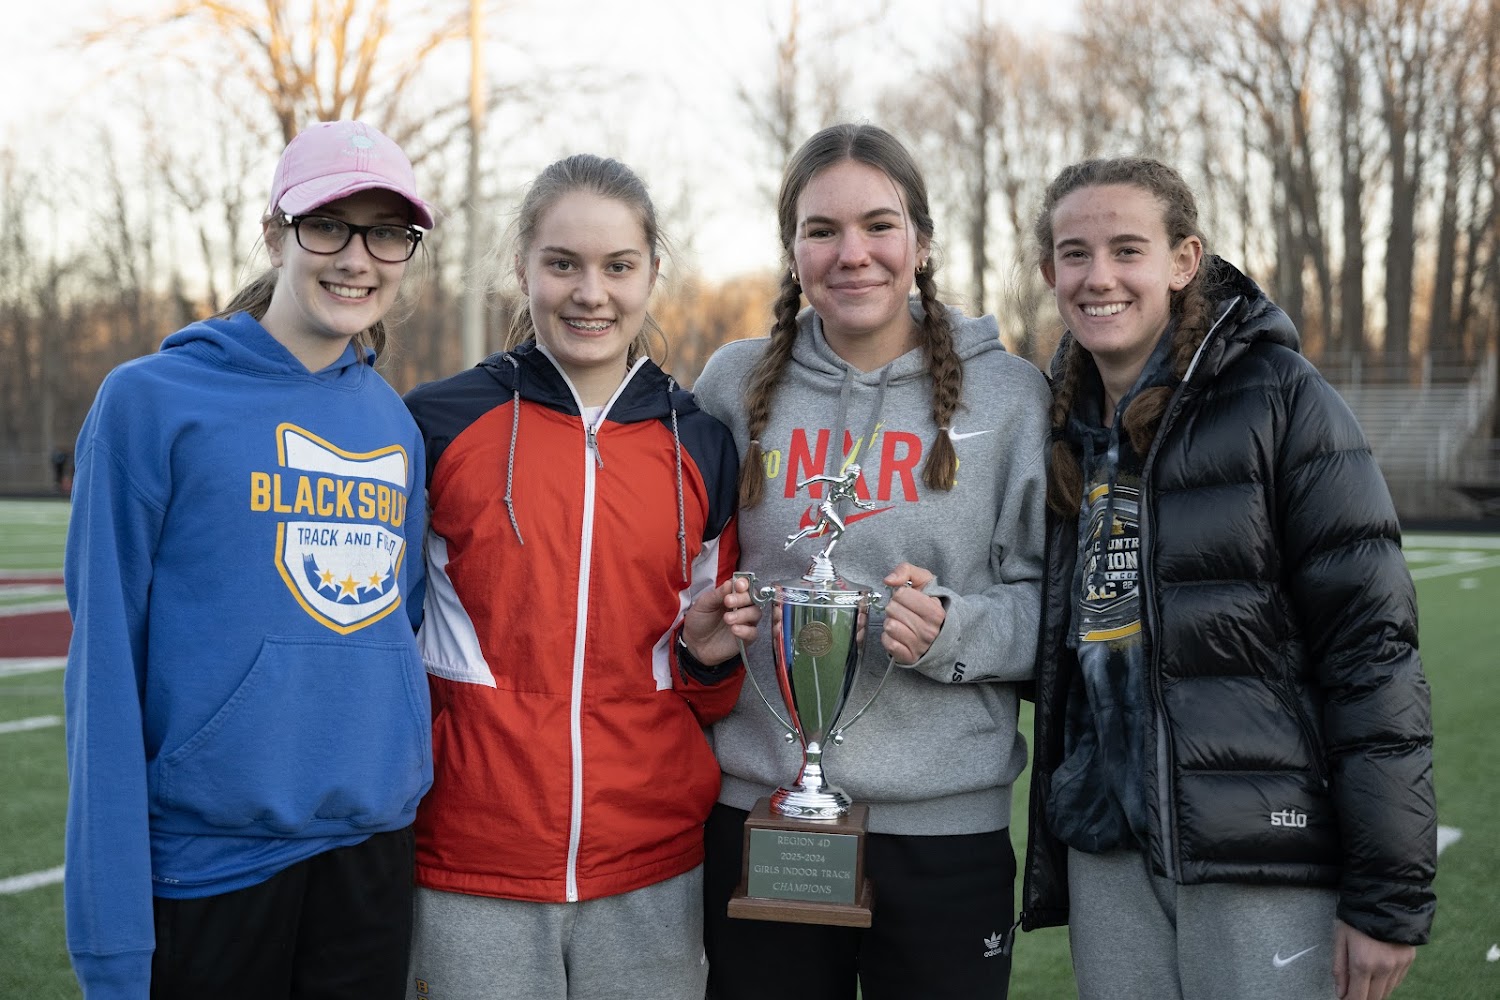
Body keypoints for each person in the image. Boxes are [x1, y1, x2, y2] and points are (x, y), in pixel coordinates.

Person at [1019, 156, 1436, 1000]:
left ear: (1184, 260)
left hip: (1255, 846)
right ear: (1048, 272)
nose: (1099, 277)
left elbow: (1372, 654)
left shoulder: (1280, 398)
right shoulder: (1054, 422)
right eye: (1074, 253)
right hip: (1108, 846)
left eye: (1127, 249)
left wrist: (1388, 897)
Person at [63, 119, 438, 1000]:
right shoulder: (148, 402)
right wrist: (111, 942)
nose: (358, 258)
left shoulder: (393, 422)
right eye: (329, 226)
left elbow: (401, 624)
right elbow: (104, 669)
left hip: (370, 856)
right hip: (210, 865)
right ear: (274, 233)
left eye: (387, 233)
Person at [694, 122, 1051, 1000]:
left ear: (921, 242)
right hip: (761, 815)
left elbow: (1057, 607)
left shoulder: (1010, 395)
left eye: (879, 225)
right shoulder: (732, 385)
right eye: (822, 230)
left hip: (944, 830)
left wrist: (953, 628)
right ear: (793, 252)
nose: (852, 254)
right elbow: (680, 576)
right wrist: (701, 627)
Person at [402, 153, 757, 1000]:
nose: (591, 293)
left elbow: (703, 686)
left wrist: (707, 659)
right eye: (563, 264)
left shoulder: (703, 445)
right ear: (522, 267)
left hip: (650, 867)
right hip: (471, 859)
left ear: (652, 273)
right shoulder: (437, 424)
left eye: (617, 266)